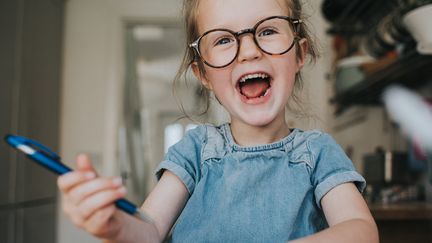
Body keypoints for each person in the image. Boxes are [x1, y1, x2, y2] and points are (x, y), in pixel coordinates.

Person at [57, 0, 379, 242]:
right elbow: (150, 229)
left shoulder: (318, 152)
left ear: (299, 55)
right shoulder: (196, 150)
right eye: (223, 40)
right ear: (204, 75)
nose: (249, 52)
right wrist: (115, 226)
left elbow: (361, 230)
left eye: (267, 31)